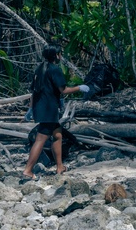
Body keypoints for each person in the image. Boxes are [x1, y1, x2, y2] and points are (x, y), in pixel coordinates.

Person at [22, 46, 89, 179]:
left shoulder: (39, 69)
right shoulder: (55, 70)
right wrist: (79, 88)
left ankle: (60, 167)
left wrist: (30, 108)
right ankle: (28, 170)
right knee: (40, 139)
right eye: (60, 54)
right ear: (56, 55)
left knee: (57, 135)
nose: (60, 56)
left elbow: (34, 91)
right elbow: (63, 90)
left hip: (41, 108)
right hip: (49, 109)